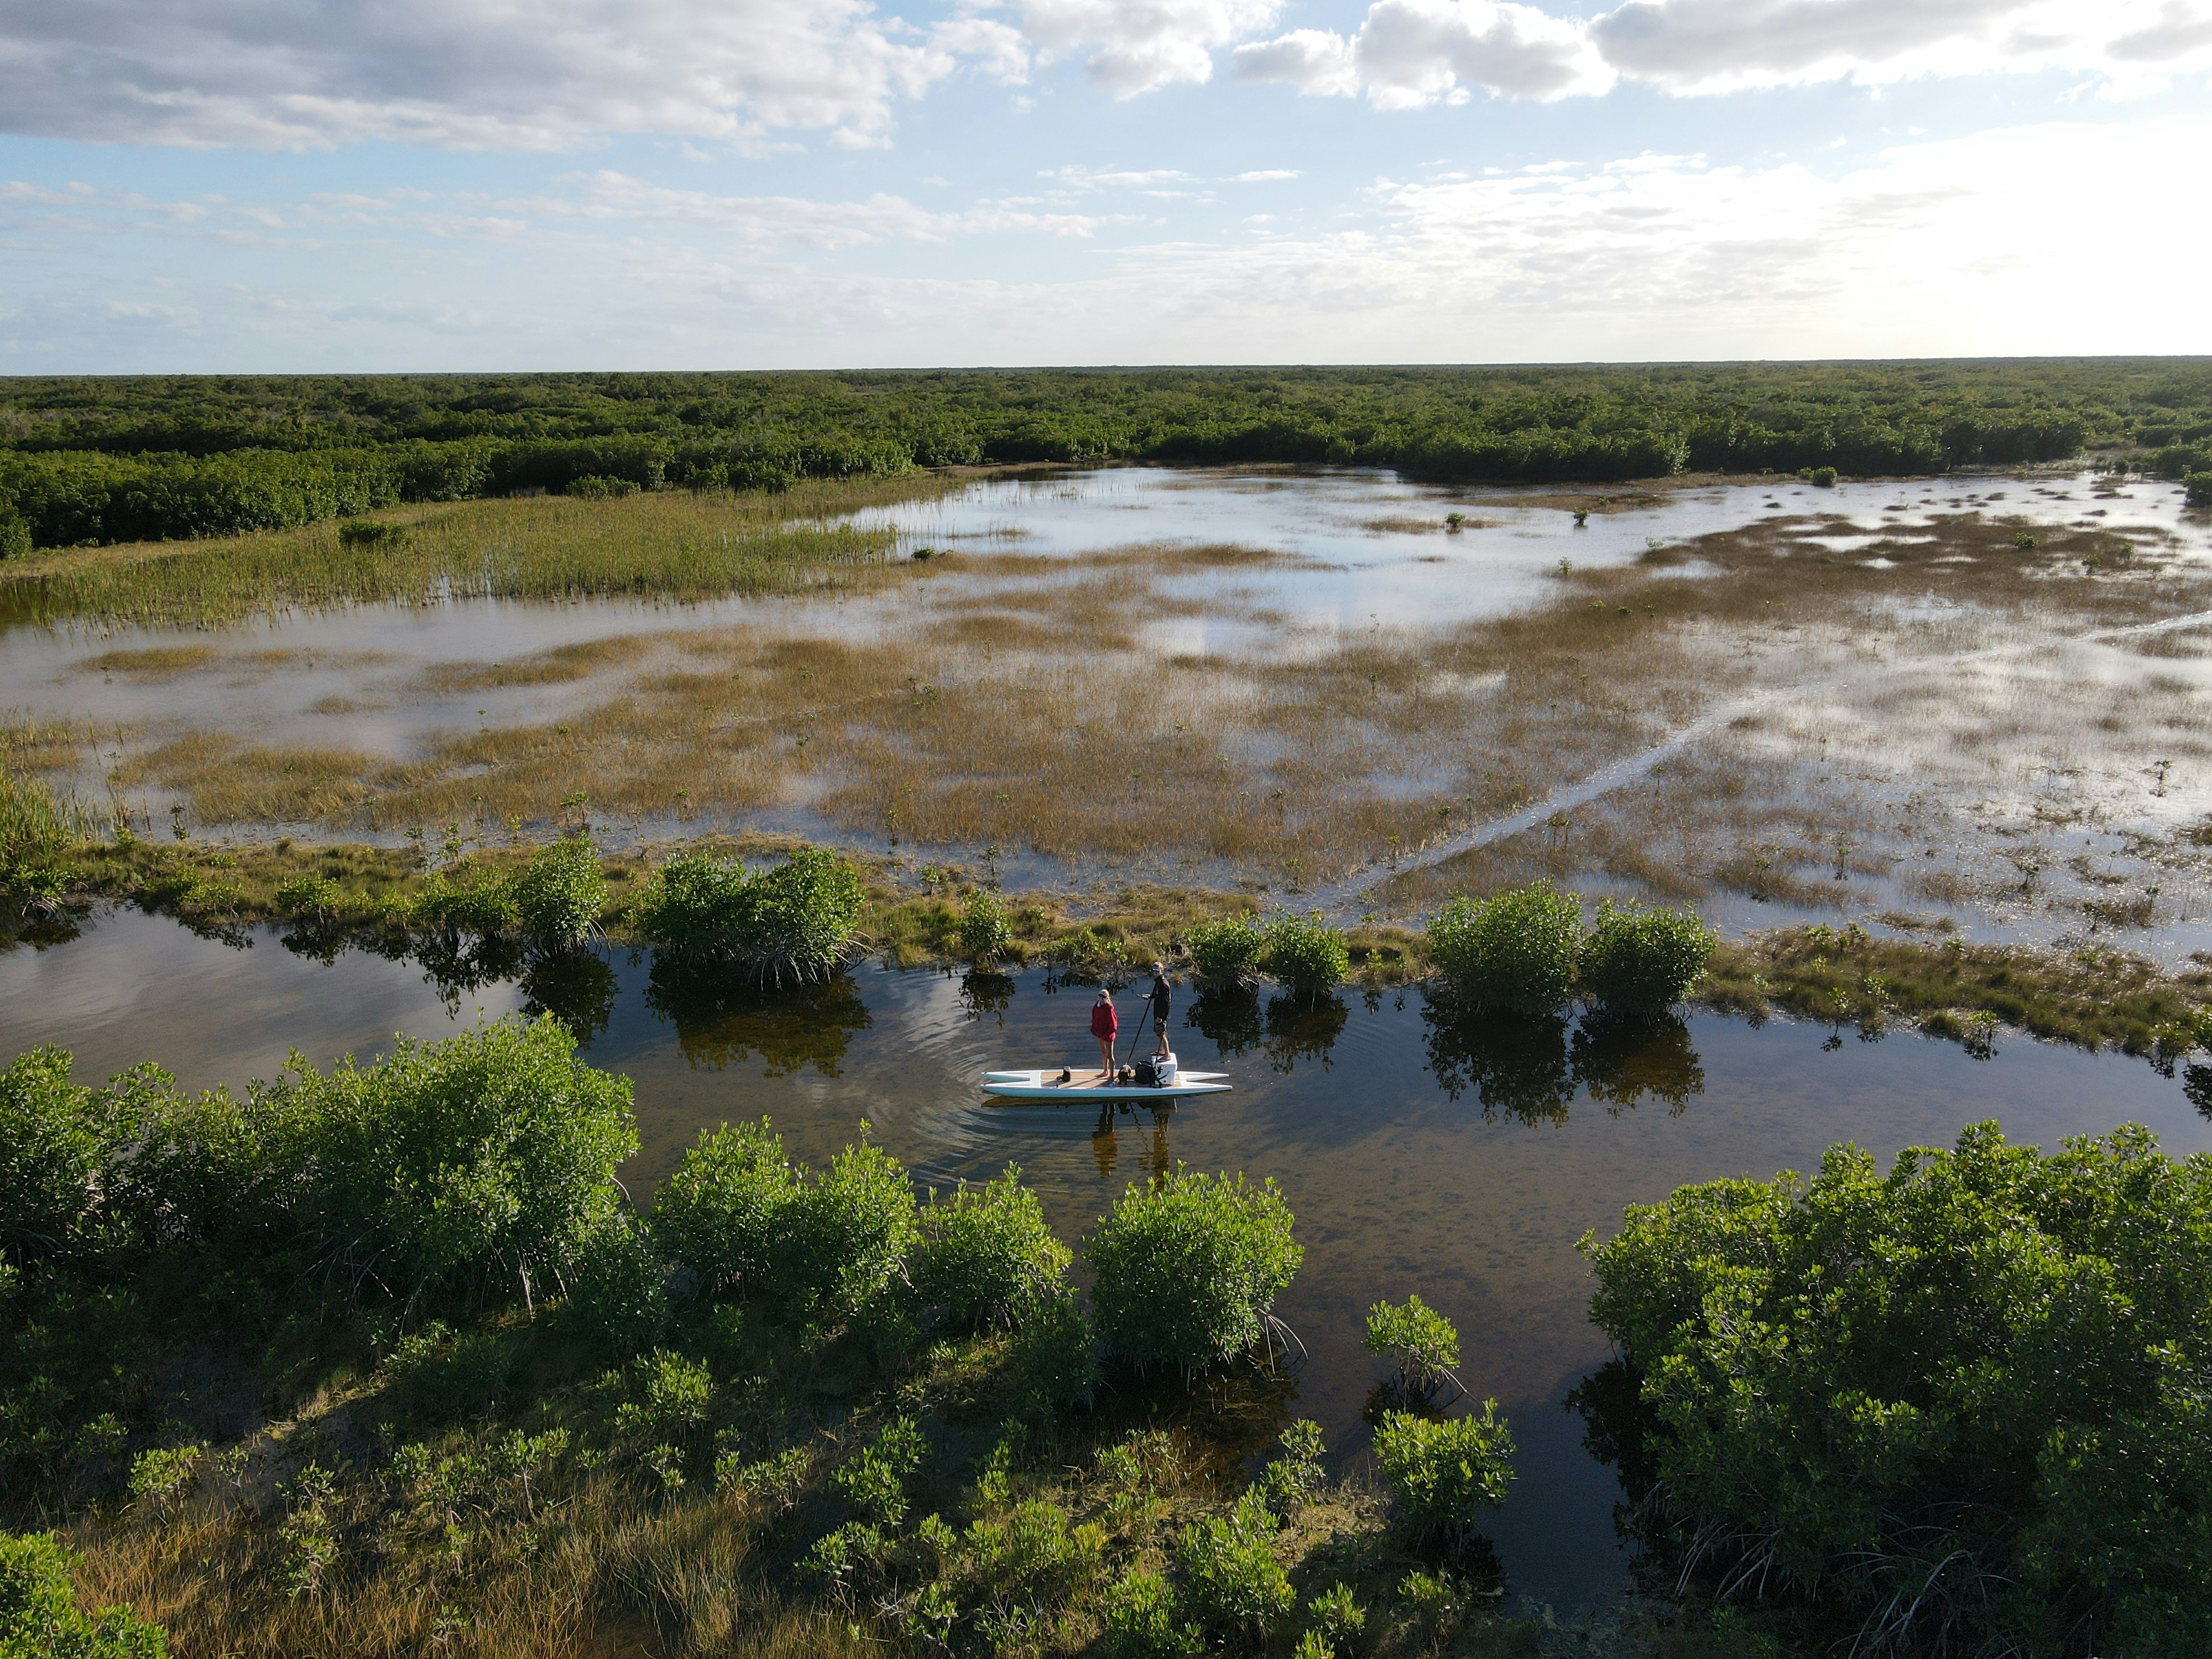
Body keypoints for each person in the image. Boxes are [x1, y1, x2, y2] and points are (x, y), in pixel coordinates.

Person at [1090, 986, 1118, 1079]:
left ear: (1107, 998)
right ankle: (1105, 1071)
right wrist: (1095, 1031)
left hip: (1108, 1035)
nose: (1101, 998)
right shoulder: (1096, 1007)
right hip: (1100, 1034)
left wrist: (1107, 1035)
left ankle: (1112, 1076)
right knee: (1103, 1052)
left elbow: (1113, 1025)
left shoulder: (1109, 1008)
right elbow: (1094, 1019)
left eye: (1104, 997)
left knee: (1110, 1055)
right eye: (1100, 996)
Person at [1147, 961, 1173, 1059]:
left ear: (1162, 970)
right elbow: (1157, 994)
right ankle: (1162, 1050)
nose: (1155, 972)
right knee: (1159, 1033)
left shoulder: (1163, 984)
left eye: (1157, 970)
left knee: (1162, 1033)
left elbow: (1166, 1003)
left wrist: (1160, 1017)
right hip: (1157, 1011)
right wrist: (1151, 996)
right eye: (1154, 970)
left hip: (1161, 1014)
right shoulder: (1158, 982)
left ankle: (1167, 1055)